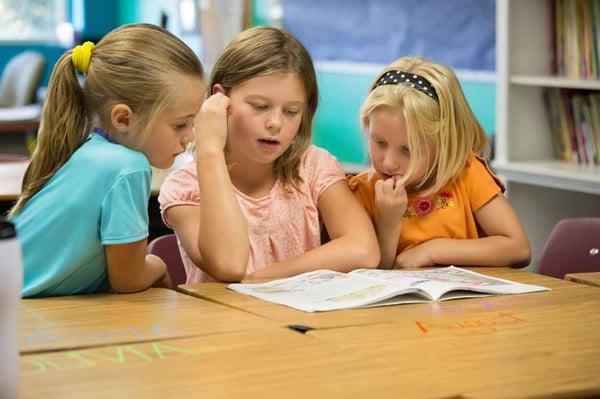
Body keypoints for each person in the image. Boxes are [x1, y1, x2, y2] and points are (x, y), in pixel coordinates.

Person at [159, 26, 379, 283]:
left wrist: (263, 277)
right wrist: (209, 149)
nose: (275, 123)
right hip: (225, 323)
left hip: (298, 320)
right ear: (220, 101)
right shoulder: (186, 186)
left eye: (291, 111)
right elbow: (229, 264)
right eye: (260, 107)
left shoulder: (312, 166)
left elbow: (363, 249)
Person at [10, 23, 205, 297]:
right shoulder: (128, 168)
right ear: (123, 118)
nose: (190, 137)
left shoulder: (89, 149)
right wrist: (158, 264)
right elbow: (128, 278)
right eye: (180, 125)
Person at [349, 56, 531, 269]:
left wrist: (433, 250)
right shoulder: (360, 193)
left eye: (408, 150)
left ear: (444, 143)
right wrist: (388, 226)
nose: (388, 163)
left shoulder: (467, 175)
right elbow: (371, 280)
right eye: (380, 142)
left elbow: (519, 249)